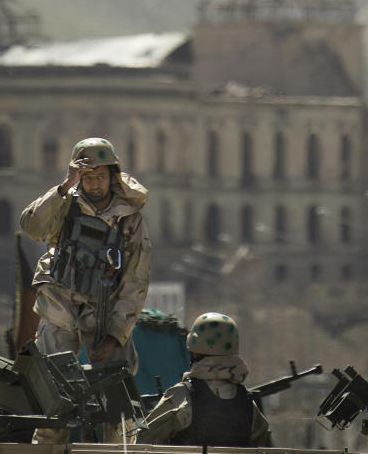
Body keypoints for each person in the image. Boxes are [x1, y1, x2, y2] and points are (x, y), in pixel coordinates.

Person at [19, 137, 150, 443]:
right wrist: (65, 186)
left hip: (106, 309)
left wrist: (116, 334)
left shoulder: (128, 217)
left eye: (100, 176)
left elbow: (135, 280)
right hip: (60, 303)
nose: (93, 184)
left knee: (117, 399)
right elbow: (31, 227)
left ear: (112, 176)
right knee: (53, 396)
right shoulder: (65, 203)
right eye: (87, 177)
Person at [137, 312, 270, 446]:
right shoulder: (247, 403)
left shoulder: (181, 395)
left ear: (194, 351)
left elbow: (144, 440)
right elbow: (260, 443)